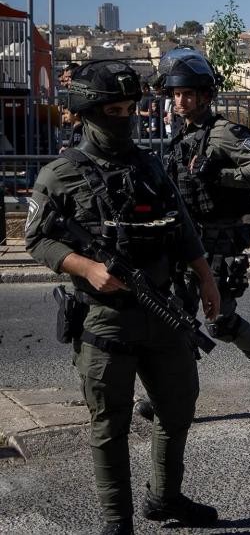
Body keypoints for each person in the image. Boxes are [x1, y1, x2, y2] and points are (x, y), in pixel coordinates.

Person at [25, 61, 221, 534]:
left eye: (130, 109)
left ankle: (165, 498)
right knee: (109, 423)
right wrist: (85, 267)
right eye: (113, 111)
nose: (124, 119)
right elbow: (37, 238)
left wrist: (205, 277)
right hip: (105, 319)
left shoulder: (148, 165)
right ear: (88, 114)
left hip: (162, 310)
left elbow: (182, 227)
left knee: (177, 408)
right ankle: (117, 521)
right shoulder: (60, 174)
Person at [158, 48, 250, 409]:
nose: (180, 101)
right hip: (184, 241)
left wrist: (220, 175)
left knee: (220, 321)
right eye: (176, 94)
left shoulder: (224, 133)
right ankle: (171, 395)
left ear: (205, 96)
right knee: (176, 316)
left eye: (187, 94)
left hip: (219, 241)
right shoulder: (181, 136)